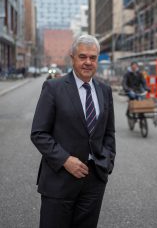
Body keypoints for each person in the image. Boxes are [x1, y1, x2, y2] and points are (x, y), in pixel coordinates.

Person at [31, 34, 116, 228]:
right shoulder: (54, 88)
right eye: (83, 56)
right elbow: (38, 133)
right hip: (59, 180)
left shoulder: (105, 90)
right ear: (73, 57)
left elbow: (109, 132)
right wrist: (65, 160)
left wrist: (107, 162)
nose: (88, 62)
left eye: (92, 58)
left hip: (94, 181)